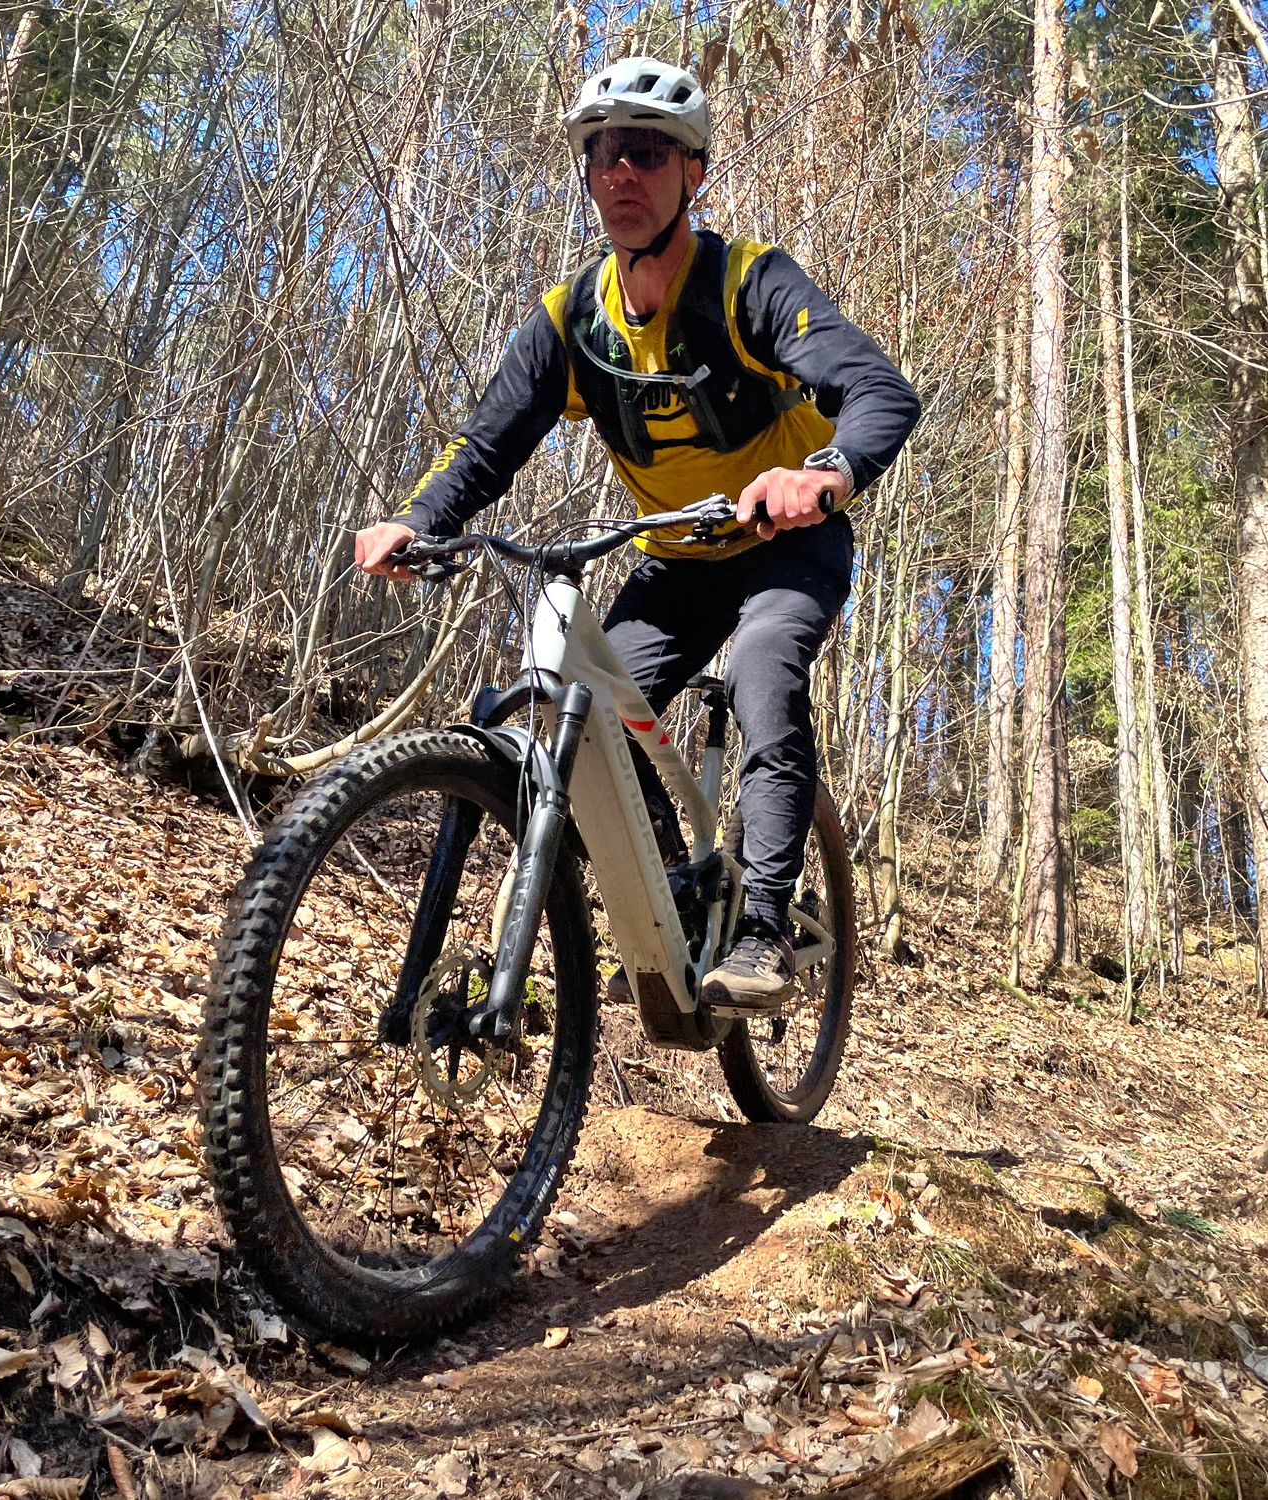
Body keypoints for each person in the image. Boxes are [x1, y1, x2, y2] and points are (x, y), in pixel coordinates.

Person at [354, 56, 920, 1013]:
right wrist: (418, 521)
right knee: (592, 721)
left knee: (762, 670)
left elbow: (880, 390)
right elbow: (487, 446)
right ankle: (679, 896)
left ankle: (764, 926)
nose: (623, 171)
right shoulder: (573, 321)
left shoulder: (746, 284)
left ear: (693, 171)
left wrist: (823, 474)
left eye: (648, 152)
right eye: (606, 152)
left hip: (785, 547)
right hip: (677, 561)